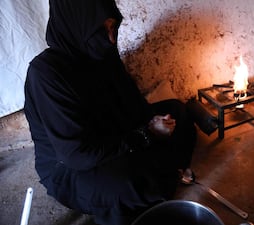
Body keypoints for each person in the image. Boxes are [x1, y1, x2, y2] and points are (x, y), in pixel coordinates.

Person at [23, 0, 197, 224]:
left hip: (112, 134)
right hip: (70, 166)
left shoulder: (102, 53)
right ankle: (156, 180)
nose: (111, 38)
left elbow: (131, 103)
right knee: (129, 183)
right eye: (100, 30)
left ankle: (162, 173)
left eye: (113, 27)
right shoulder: (46, 74)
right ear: (76, 26)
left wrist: (153, 121)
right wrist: (146, 134)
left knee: (177, 112)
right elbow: (78, 155)